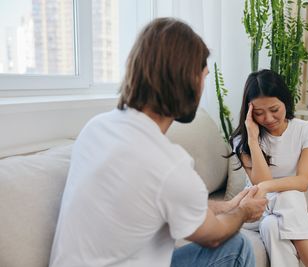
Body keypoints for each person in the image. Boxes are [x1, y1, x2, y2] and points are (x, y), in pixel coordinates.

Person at [49, 18, 267, 267]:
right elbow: (214, 237)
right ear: (187, 80)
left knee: (237, 245)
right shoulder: (169, 164)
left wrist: (227, 206)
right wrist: (244, 212)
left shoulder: (95, 127)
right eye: (203, 76)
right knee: (237, 248)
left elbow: (153, 200)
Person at [229, 69, 308, 267]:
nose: (269, 118)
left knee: (272, 225)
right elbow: (261, 183)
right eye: (258, 113)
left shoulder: (306, 130)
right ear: (249, 112)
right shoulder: (242, 139)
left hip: (287, 209)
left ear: (285, 102)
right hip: (256, 209)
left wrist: (266, 187)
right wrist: (254, 140)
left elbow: (303, 182)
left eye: (274, 109)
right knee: (286, 197)